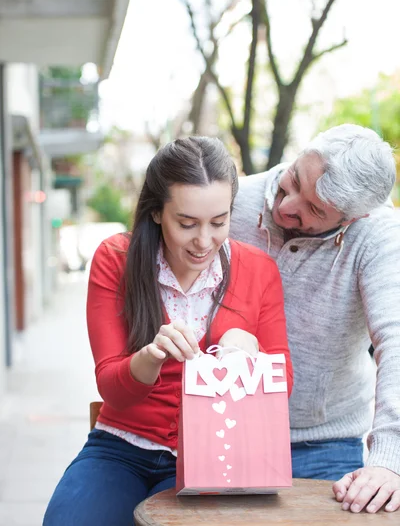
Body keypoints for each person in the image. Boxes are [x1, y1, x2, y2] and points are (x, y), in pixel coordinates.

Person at [43, 136, 293, 526]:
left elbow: (284, 386)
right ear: (157, 212)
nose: (204, 241)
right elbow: (110, 387)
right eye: (186, 223)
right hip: (122, 447)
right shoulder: (117, 260)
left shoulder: (259, 270)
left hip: (217, 456)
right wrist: (150, 355)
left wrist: (252, 350)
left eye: (219, 222)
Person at [229, 123, 400, 514]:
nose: (288, 206)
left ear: (353, 219)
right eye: (294, 179)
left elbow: (396, 339)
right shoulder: (234, 201)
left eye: (315, 210)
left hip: (322, 444)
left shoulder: (380, 237)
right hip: (222, 426)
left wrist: (390, 459)